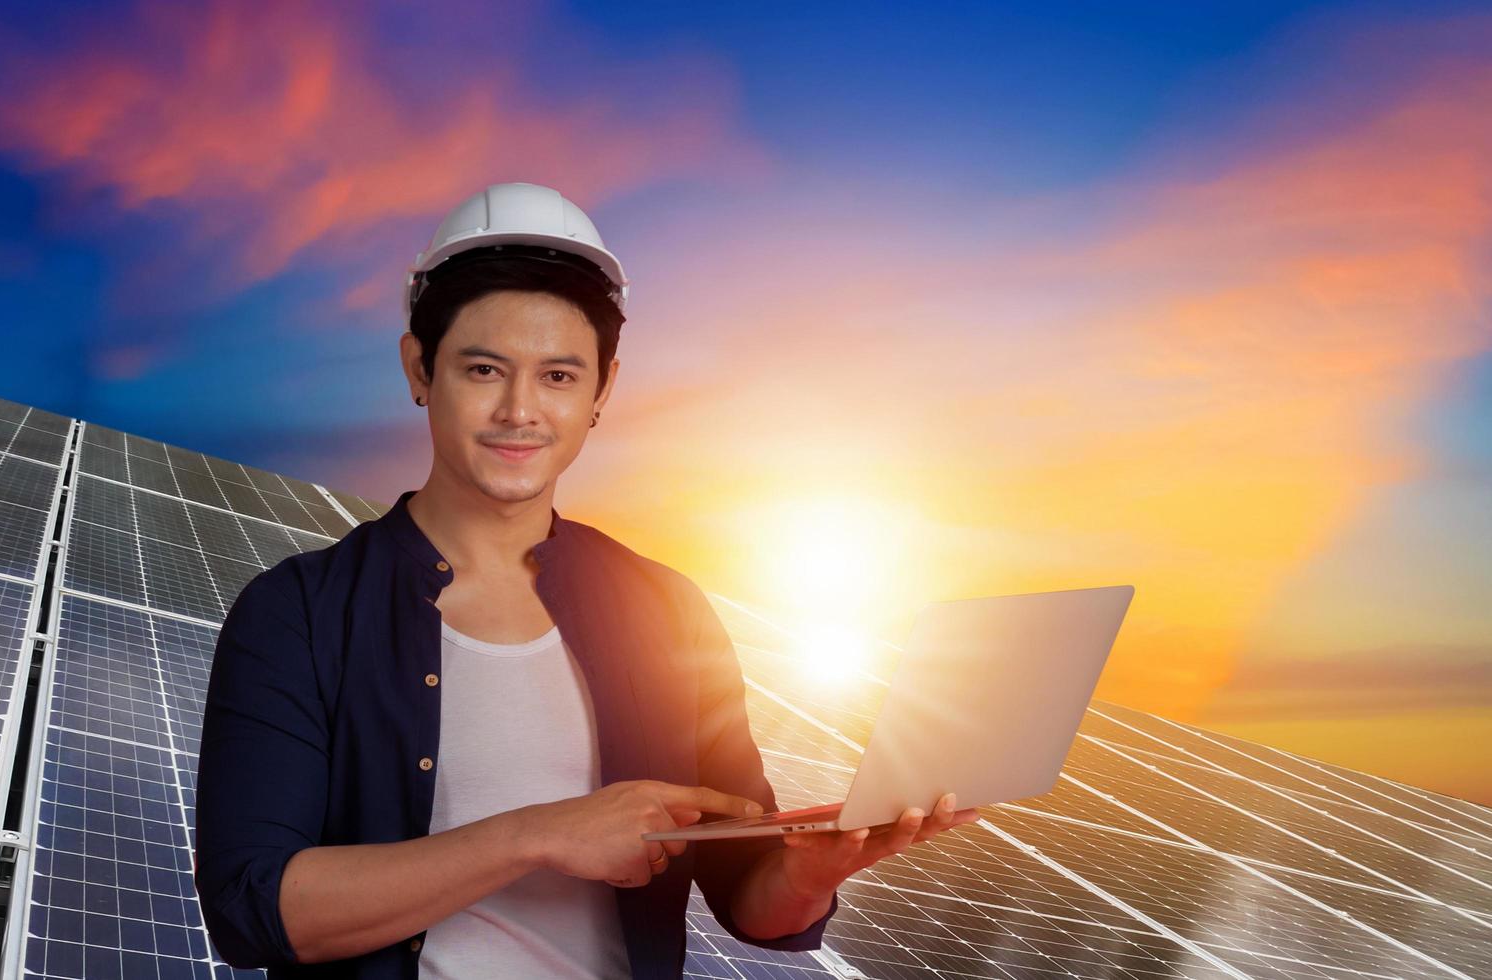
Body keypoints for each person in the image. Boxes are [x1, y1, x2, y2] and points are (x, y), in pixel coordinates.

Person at [190, 182, 981, 979]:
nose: (519, 411)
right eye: (484, 369)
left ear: (602, 390)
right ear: (418, 369)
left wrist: (814, 871)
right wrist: (533, 834)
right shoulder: (297, 614)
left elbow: (752, 899)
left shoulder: (669, 613)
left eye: (559, 377)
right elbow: (252, 909)